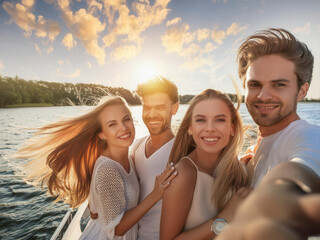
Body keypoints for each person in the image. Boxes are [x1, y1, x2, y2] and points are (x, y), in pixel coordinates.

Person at [16, 96, 177, 240]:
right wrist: (156, 195)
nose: (123, 128)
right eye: (112, 124)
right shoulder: (108, 168)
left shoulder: (130, 156)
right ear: (102, 134)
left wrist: (95, 204)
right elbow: (117, 230)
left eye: (126, 119)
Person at [217, 28, 320, 239]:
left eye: (279, 84)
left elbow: (302, 169)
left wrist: (276, 197)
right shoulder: (253, 150)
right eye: (255, 85)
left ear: (302, 90)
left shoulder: (307, 135)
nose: (263, 96)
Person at [160, 89, 252, 240]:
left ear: (232, 128)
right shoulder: (183, 175)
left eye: (220, 120)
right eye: (201, 120)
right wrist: (224, 218)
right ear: (190, 128)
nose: (210, 128)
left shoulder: (238, 170)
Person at [132, 76, 179, 240]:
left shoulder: (182, 151)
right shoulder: (136, 146)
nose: (151, 114)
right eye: (147, 107)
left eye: (159, 107)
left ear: (175, 108)